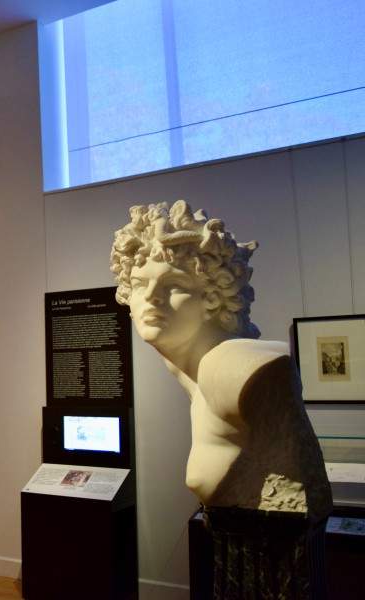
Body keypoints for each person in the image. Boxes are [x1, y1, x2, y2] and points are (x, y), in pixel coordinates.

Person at [110, 200, 331, 596]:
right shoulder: (198, 372)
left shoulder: (239, 370)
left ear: (214, 296)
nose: (151, 299)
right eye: (141, 284)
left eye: (174, 285)